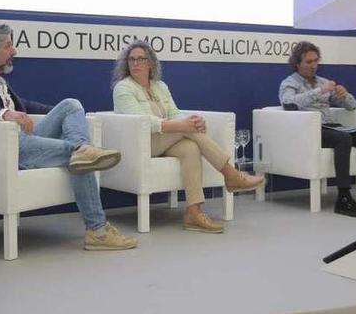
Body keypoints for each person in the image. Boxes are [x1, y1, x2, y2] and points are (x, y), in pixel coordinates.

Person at [0, 24, 137, 250]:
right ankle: (97, 230)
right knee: (83, 159)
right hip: (8, 149)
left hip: (26, 141)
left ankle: (81, 149)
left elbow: (26, 106)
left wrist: (67, 115)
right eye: (9, 46)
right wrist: (4, 113)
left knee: (71, 105)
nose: (15, 51)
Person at [112, 40, 265, 233]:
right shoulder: (123, 88)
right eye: (131, 59)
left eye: (140, 59)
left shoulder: (160, 86)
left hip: (163, 139)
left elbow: (174, 112)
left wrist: (190, 121)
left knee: (190, 147)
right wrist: (182, 125)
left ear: (150, 63)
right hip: (140, 143)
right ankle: (231, 174)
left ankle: (193, 212)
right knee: (187, 129)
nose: (135, 63)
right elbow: (142, 121)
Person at [280, 41, 356, 218]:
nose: (314, 65)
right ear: (297, 63)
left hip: (331, 126)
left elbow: (352, 106)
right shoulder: (289, 83)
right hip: (308, 130)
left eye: (316, 61)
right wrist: (318, 91)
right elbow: (288, 103)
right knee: (343, 139)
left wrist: (345, 95)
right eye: (309, 62)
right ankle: (344, 198)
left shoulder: (323, 81)